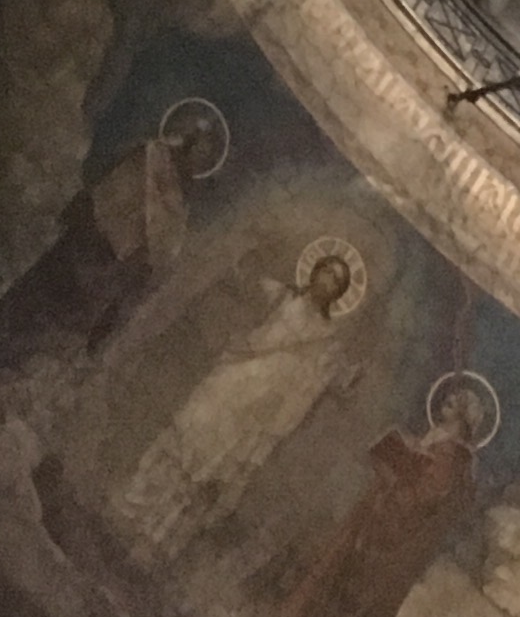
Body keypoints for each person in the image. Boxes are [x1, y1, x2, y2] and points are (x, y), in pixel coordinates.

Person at [112, 238, 369, 565]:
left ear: (339, 293)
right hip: (229, 383)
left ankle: (156, 532)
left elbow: (327, 378)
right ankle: (135, 503)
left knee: (206, 470)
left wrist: (347, 378)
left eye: (336, 280)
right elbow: (242, 292)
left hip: (255, 410)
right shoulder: (280, 295)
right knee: (183, 436)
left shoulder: (325, 338)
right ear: (315, 270)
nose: (327, 281)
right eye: (327, 272)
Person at [0, 99, 228, 388]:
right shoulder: (173, 219)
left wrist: (80, 215)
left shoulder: (149, 161)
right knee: (31, 321)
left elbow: (100, 195)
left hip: (83, 258)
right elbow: (138, 275)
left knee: (24, 311)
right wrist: (107, 323)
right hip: (91, 276)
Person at [272, 372, 499, 617]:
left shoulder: (451, 457)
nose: (447, 402)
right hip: (374, 536)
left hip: (386, 549)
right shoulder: (441, 448)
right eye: (449, 398)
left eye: (456, 401)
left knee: (344, 613)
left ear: (465, 416)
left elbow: (421, 499)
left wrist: (400, 469)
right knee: (328, 601)